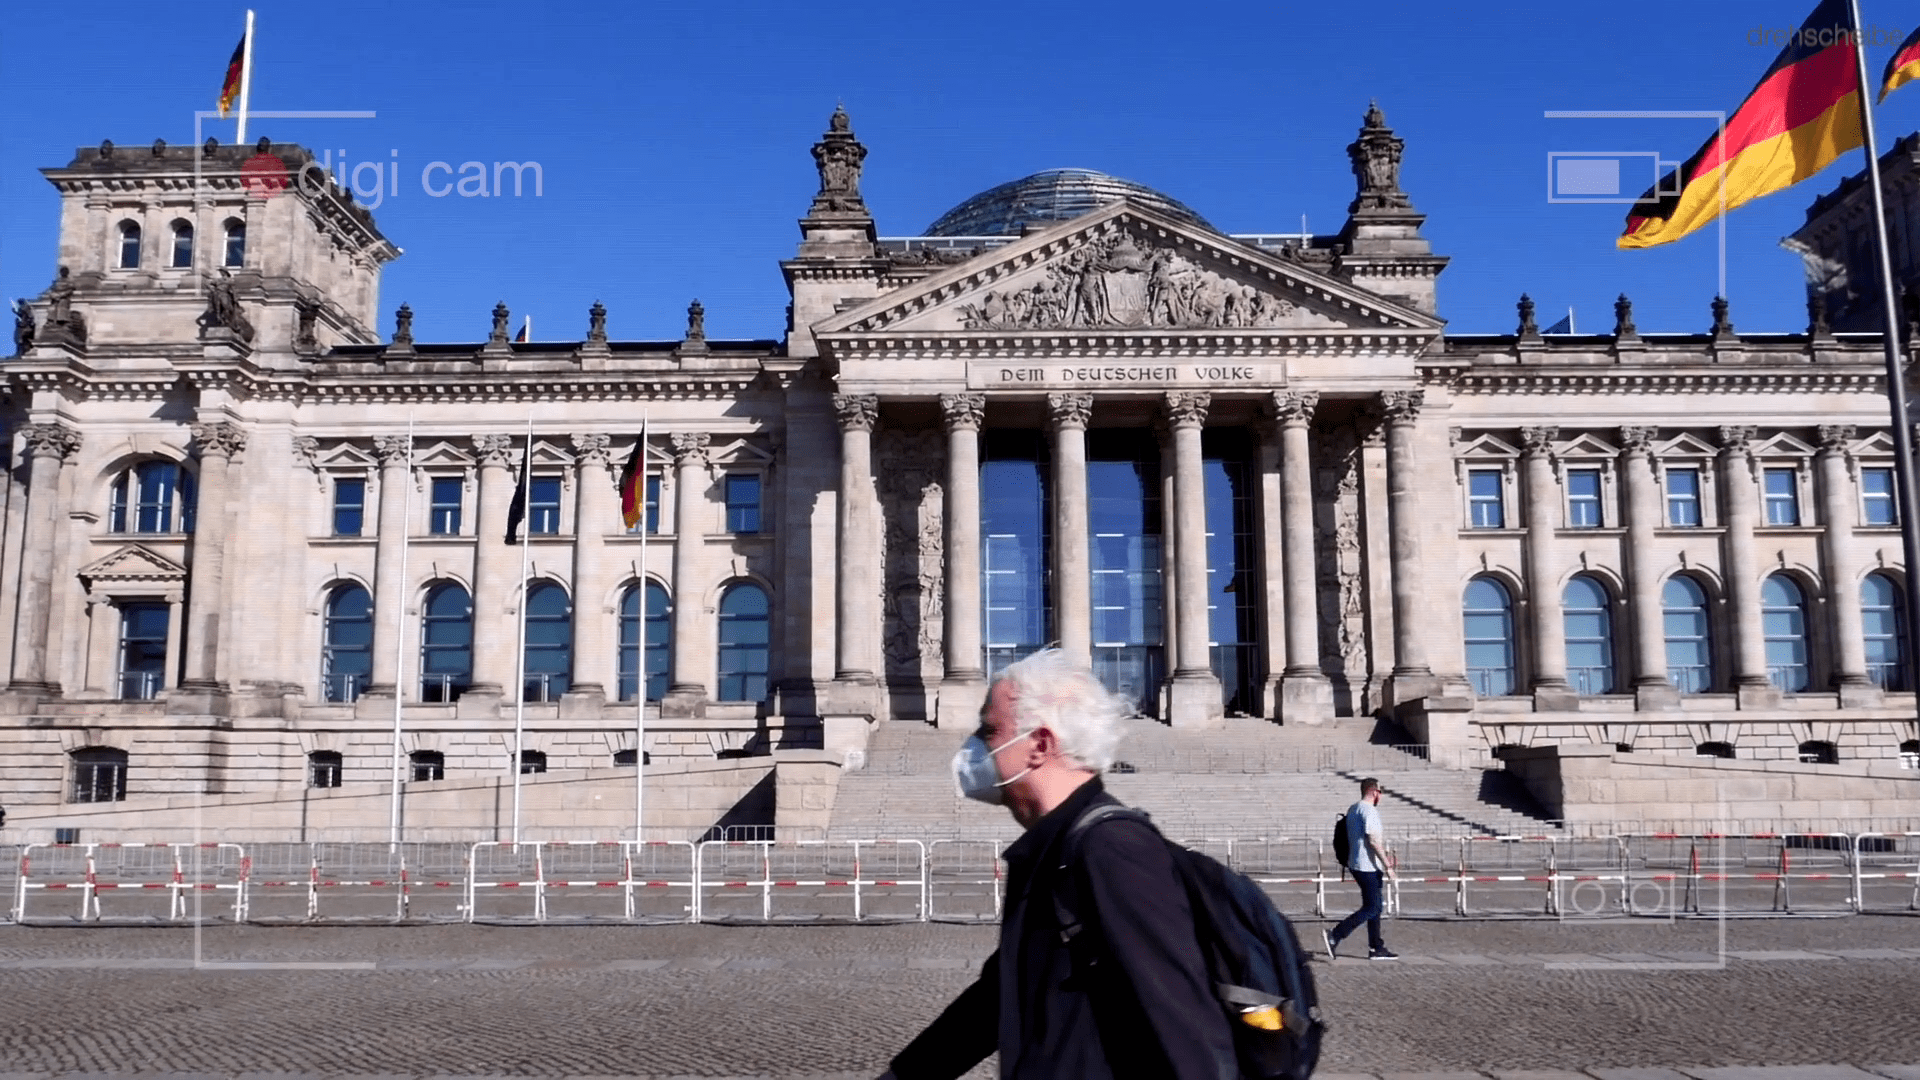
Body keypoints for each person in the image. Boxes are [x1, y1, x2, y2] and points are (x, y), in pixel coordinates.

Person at [879, 649, 1238, 1080]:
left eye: (990, 730)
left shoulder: (1112, 850)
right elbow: (1000, 996)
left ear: (1040, 745)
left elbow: (1188, 1036)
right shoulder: (1053, 847)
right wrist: (907, 1074)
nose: (975, 746)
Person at [1324, 777, 1398, 961]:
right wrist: (1388, 866)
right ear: (1374, 792)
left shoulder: (1353, 808)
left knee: (1374, 907)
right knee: (1373, 906)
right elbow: (1373, 840)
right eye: (1380, 792)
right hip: (1368, 866)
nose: (1380, 796)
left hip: (1357, 863)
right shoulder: (1369, 810)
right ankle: (1335, 935)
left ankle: (1376, 947)